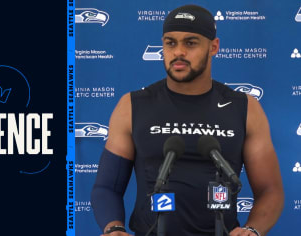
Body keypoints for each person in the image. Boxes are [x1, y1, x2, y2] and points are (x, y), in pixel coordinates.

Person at [91, 4, 284, 236]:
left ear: (213, 47)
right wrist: (114, 228)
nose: (178, 52)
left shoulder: (245, 107)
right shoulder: (132, 105)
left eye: (190, 43)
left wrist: (252, 230)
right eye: (170, 43)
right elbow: (107, 187)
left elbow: (270, 190)